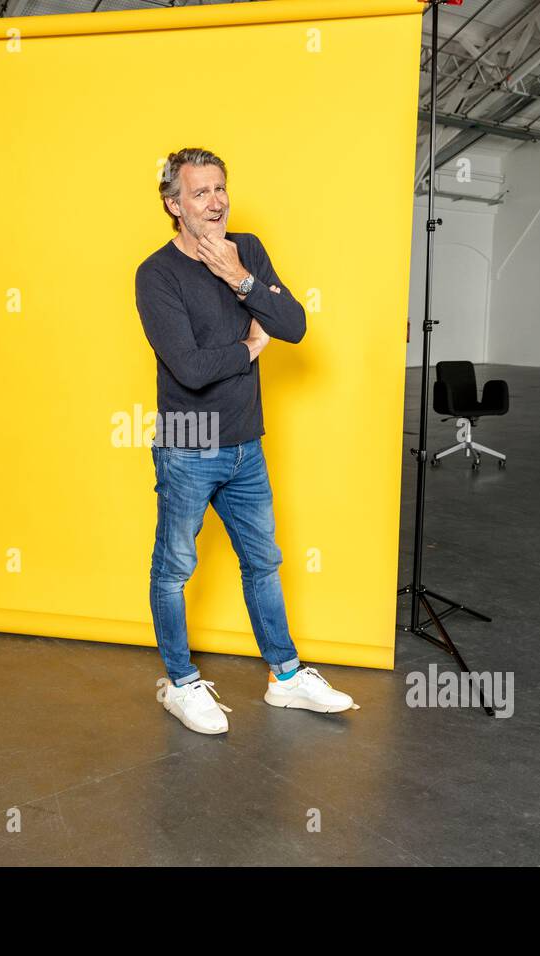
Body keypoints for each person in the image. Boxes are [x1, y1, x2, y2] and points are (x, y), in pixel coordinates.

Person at [134, 147, 356, 735]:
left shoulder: (247, 250)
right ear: (173, 205)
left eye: (220, 188)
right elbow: (188, 367)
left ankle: (285, 678)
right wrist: (251, 348)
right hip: (187, 440)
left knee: (263, 561)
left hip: (244, 440)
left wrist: (240, 277)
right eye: (200, 192)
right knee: (175, 569)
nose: (216, 201)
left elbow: (295, 326)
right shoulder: (156, 274)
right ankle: (180, 683)